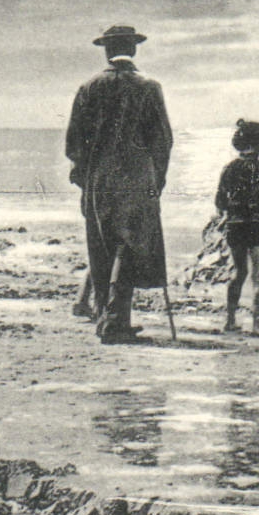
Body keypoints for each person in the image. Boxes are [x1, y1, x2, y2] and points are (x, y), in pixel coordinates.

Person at [65, 24, 173, 344]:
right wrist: (157, 180)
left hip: (99, 178)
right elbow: (163, 142)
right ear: (134, 49)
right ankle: (117, 320)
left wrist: (84, 178)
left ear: (107, 51)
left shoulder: (88, 88)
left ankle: (104, 315)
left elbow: (73, 144)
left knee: (101, 245)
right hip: (137, 178)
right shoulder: (149, 87)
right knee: (129, 246)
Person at [216, 119, 259, 334]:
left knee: (238, 272)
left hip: (236, 225)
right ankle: (256, 323)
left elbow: (219, 202)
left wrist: (233, 210)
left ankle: (230, 320)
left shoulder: (230, 168)